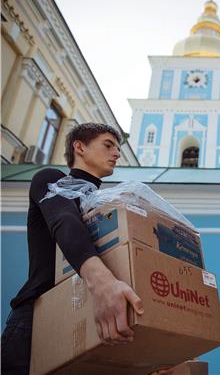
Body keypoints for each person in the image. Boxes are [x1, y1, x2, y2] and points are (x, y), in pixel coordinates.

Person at [1, 123, 144, 375]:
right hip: (37, 320)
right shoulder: (50, 180)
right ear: (80, 147)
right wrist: (103, 284)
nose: (117, 153)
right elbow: (64, 221)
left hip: (89, 320)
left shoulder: (108, 207)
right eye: (108, 145)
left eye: (118, 148)